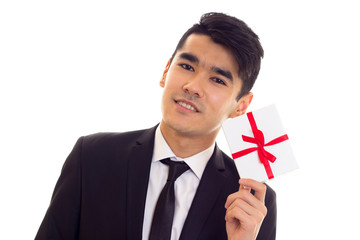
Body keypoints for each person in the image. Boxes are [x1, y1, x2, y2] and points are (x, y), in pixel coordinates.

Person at [35, 12, 276, 240]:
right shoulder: (91, 157)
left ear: (241, 106)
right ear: (165, 72)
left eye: (217, 79)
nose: (192, 86)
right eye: (187, 67)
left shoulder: (253, 202)